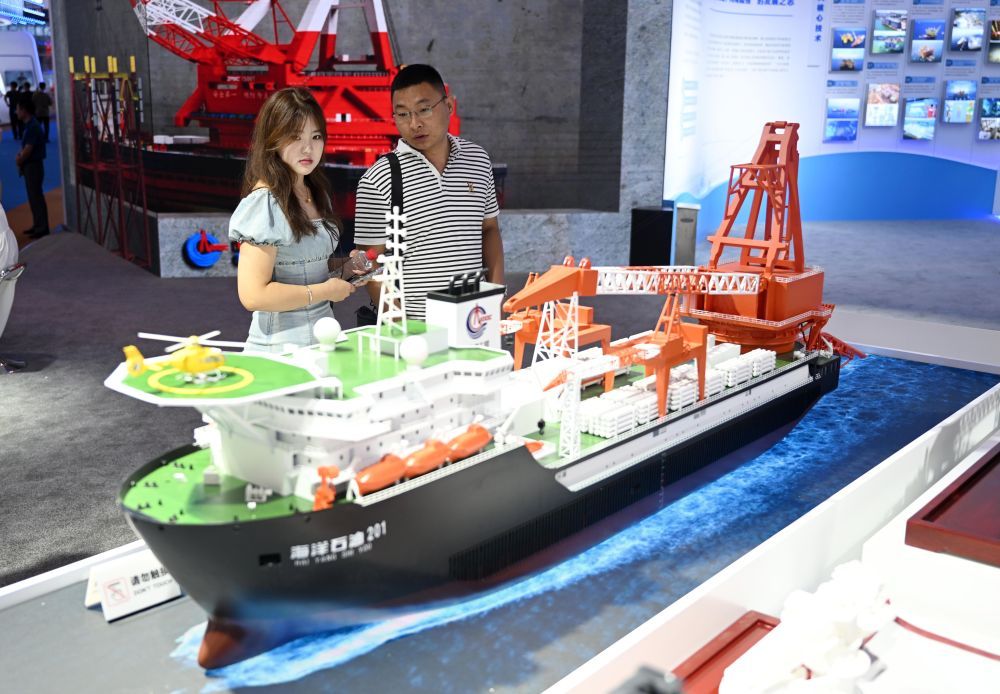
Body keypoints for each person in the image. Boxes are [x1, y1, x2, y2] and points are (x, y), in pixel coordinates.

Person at [353, 63, 504, 321]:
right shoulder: (378, 178)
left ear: (449, 106)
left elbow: (489, 228)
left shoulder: (477, 160)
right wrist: (401, 329)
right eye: (403, 114)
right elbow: (371, 265)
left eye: (424, 110)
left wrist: (495, 300)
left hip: (474, 321)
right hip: (416, 327)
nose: (414, 124)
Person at [229, 87, 359, 352]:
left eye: (316, 136)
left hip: (324, 342)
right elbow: (253, 295)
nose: (308, 148)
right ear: (273, 139)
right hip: (279, 350)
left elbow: (305, 266)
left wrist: (348, 267)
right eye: (295, 137)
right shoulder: (264, 203)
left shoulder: (317, 193)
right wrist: (326, 292)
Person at [14, 96, 49, 239]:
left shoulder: (32, 127)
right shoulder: (30, 125)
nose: (16, 112)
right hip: (31, 165)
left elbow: (28, 149)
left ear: (24, 110)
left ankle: (42, 227)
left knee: (36, 197)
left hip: (33, 166)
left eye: (18, 109)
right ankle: (38, 225)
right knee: (33, 197)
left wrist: (19, 159)